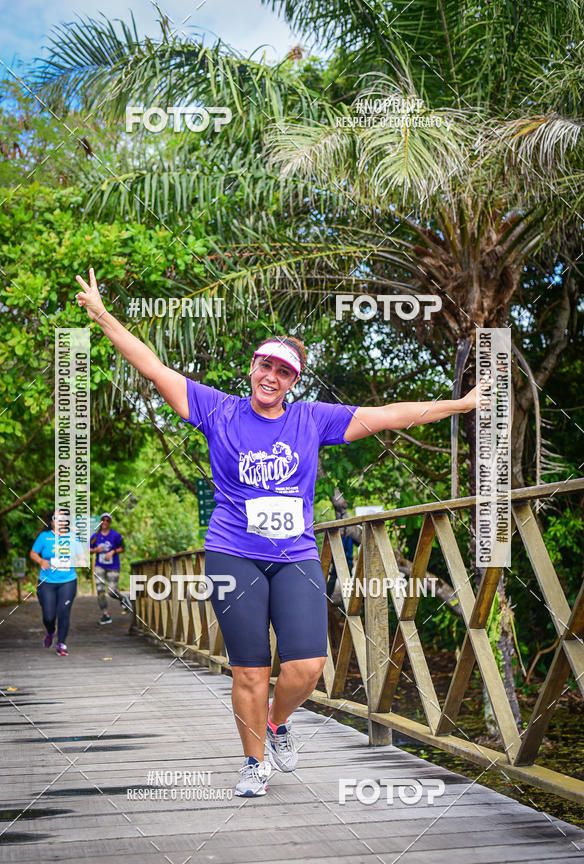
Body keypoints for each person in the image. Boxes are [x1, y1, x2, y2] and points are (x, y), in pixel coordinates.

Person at [75, 268, 480, 797]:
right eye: (265, 365)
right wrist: (102, 315)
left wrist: (461, 405)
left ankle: (276, 721)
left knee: (307, 666)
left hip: (295, 556)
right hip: (233, 553)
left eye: (284, 372)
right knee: (249, 670)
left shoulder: (311, 420)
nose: (271, 376)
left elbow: (388, 415)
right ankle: (253, 764)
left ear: (294, 382)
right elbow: (152, 366)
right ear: (253, 367)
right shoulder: (216, 410)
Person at [30, 509, 85, 656]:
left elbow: (81, 557)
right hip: (47, 581)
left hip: (68, 581)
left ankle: (61, 643)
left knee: (63, 612)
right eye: (57, 518)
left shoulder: (73, 537)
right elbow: (33, 553)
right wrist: (41, 561)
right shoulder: (44, 537)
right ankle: (50, 631)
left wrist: (80, 561)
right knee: (48, 616)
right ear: (52, 521)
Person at [90, 512, 126, 624]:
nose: (105, 522)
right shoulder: (95, 536)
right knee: (100, 590)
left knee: (111, 591)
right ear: (100, 522)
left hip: (113, 566)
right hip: (99, 565)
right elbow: (88, 549)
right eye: (103, 520)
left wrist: (113, 552)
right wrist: (96, 550)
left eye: (107, 520)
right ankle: (106, 615)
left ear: (110, 522)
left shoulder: (116, 535)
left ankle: (123, 599)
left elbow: (123, 548)